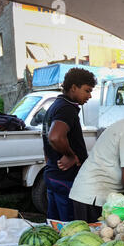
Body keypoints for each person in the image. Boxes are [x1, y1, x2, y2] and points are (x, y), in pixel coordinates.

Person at [42, 68, 97, 221]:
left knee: (55, 224)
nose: (89, 96)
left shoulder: (56, 105)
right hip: (65, 179)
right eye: (87, 90)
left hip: (54, 175)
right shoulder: (66, 108)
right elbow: (54, 137)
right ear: (74, 87)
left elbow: (47, 142)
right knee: (70, 227)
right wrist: (70, 155)